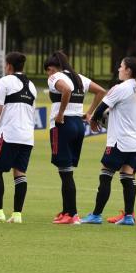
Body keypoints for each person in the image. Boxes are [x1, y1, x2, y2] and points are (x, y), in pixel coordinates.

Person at [80, 57, 136, 225]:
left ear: (128, 71)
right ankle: (129, 216)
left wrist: (93, 120)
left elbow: (101, 108)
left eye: (121, 66)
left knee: (105, 175)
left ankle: (96, 215)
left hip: (119, 141)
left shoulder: (121, 88)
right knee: (127, 177)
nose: (118, 68)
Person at [44, 51, 108, 224]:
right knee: (66, 170)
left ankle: (72, 214)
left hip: (62, 125)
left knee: (65, 173)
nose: (48, 75)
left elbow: (65, 90)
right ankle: (66, 210)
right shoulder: (79, 77)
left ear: (52, 67)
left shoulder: (55, 77)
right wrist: (89, 113)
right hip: (78, 125)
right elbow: (101, 92)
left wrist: (60, 114)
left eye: (48, 71)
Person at [0, 52, 38, 224]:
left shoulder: (5, 81)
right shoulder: (33, 86)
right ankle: (17, 215)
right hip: (27, 136)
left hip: (9, 134)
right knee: (19, 173)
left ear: (10, 66)